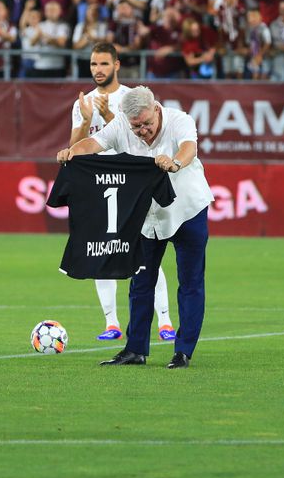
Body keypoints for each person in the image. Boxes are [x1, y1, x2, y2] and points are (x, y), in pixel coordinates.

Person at [57, 86, 213, 369]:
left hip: (188, 211)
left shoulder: (180, 119)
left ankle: (183, 351)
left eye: (146, 124)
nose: (142, 130)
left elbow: (189, 148)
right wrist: (72, 152)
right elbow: (94, 143)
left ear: (156, 109)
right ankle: (135, 349)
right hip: (148, 215)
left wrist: (175, 162)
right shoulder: (121, 125)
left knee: (190, 282)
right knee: (140, 282)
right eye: (136, 126)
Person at [68, 43, 175, 342]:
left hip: (130, 183)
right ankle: (111, 323)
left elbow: (137, 140)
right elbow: (74, 146)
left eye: (103, 64)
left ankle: (164, 321)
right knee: (102, 249)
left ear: (116, 64)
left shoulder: (132, 98)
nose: (97, 70)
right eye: (92, 65)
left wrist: (110, 117)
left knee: (145, 250)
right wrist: (89, 120)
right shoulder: (82, 103)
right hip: (98, 184)